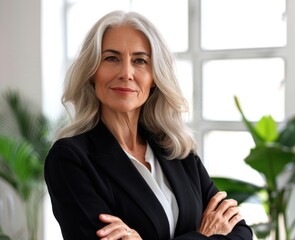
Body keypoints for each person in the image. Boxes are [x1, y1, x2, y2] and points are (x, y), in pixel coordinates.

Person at [44, 10, 253, 240]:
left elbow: (241, 232)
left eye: (140, 61)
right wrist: (203, 235)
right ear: (93, 71)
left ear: (154, 77)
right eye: (111, 58)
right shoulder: (70, 159)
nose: (126, 73)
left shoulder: (177, 150)